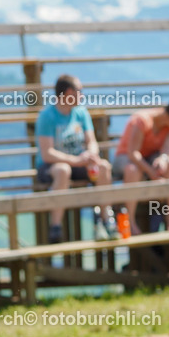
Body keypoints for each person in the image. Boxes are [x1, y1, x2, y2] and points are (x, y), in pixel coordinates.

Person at [36, 75, 116, 243]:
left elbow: (91, 141)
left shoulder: (81, 112)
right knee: (63, 170)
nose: (82, 95)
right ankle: (55, 226)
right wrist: (76, 160)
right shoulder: (47, 116)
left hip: (79, 163)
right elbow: (47, 153)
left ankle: (107, 220)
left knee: (103, 166)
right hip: (51, 167)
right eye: (80, 91)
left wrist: (91, 155)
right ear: (69, 92)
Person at [113, 97, 169, 234]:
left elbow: (167, 149)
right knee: (133, 170)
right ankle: (130, 222)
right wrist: (151, 172)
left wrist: (162, 159)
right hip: (126, 157)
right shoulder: (142, 120)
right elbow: (133, 153)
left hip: (149, 158)